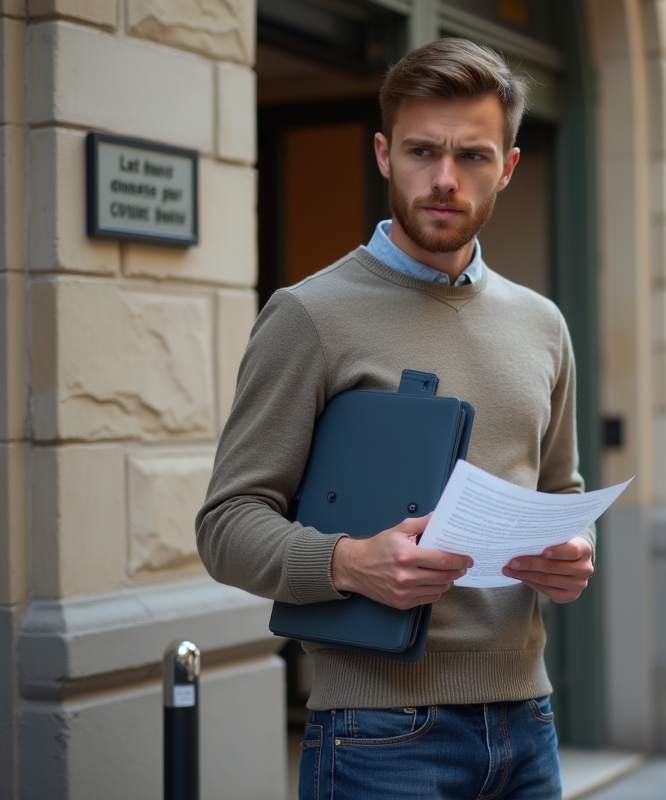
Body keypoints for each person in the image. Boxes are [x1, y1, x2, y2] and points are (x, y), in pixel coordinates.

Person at [196, 39, 592, 799]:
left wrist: (572, 549)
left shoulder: (543, 324)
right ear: (383, 154)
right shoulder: (308, 316)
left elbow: (560, 489)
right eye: (422, 151)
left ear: (507, 166)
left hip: (527, 725)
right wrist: (349, 562)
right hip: (378, 734)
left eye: (473, 156)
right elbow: (226, 525)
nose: (445, 180)